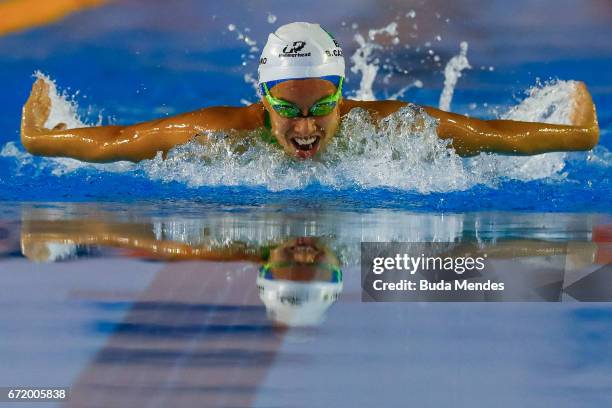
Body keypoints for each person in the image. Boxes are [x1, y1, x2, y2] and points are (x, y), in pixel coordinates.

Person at [20, 22, 600, 162]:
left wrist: (577, 134)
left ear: (342, 96)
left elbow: (491, 135)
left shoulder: (384, 126)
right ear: (263, 98)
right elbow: (122, 140)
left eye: (323, 107)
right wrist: (39, 138)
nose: (305, 128)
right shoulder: (227, 134)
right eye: (288, 110)